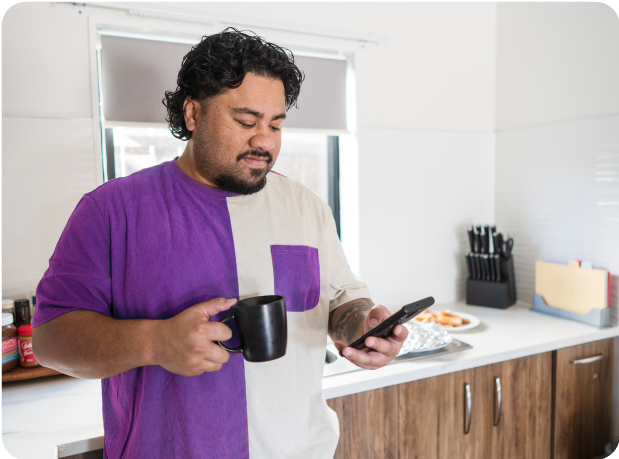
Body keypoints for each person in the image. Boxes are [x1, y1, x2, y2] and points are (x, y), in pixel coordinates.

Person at [32, 28, 408, 459]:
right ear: (193, 114)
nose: (265, 141)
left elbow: (342, 299)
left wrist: (362, 328)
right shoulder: (111, 210)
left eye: (276, 124)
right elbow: (49, 340)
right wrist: (155, 343)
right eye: (246, 122)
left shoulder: (305, 206)